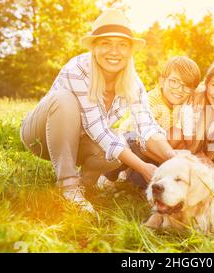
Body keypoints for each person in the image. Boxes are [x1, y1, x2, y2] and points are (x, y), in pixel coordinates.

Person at [20, 9, 175, 215]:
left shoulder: (133, 83)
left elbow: (147, 127)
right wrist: (143, 168)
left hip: (80, 141)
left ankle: (86, 186)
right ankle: (67, 186)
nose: (114, 51)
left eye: (122, 45)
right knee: (64, 100)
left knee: (117, 152)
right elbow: (98, 128)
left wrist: (173, 158)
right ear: (94, 47)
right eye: (106, 43)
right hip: (41, 135)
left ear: (130, 51)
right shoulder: (78, 69)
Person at [102, 56, 201, 188]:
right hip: (133, 142)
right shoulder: (151, 101)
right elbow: (142, 138)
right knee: (129, 144)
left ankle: (132, 176)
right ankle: (107, 176)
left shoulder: (184, 106)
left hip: (154, 151)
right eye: (174, 81)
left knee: (177, 138)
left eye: (186, 86)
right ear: (162, 81)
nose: (179, 89)